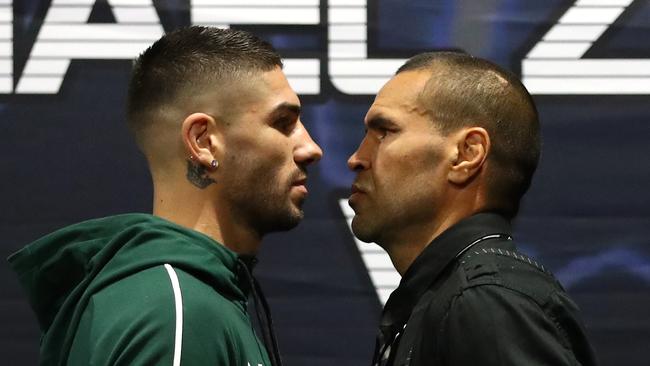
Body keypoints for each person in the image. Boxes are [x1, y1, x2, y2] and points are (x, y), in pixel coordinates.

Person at [9, 26, 322, 366]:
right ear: (203, 141)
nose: (311, 148)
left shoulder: (179, 297)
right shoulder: (176, 313)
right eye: (282, 122)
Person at [347, 52, 597, 366]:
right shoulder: (453, 297)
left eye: (385, 131)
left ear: (467, 154)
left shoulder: (485, 301)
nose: (356, 158)